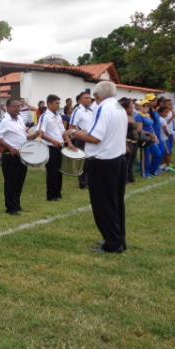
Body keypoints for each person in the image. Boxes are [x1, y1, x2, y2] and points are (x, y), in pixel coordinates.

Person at [64, 81, 127, 254]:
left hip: (103, 161)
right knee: (115, 203)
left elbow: (94, 137)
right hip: (118, 159)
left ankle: (112, 244)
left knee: (103, 204)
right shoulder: (119, 107)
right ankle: (119, 239)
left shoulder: (102, 108)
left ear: (98, 96)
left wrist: (73, 133)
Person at [0, 98, 37, 215]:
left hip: (22, 154)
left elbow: (24, 135)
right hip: (10, 155)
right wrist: (10, 147)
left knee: (20, 181)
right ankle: (10, 208)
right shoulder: (4, 121)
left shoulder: (20, 119)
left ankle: (17, 204)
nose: (18, 108)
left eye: (19, 106)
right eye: (16, 106)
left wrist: (34, 135)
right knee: (11, 182)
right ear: (8, 107)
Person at [37, 94, 73, 201]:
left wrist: (69, 142)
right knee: (52, 172)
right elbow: (41, 133)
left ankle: (58, 193)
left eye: (59, 103)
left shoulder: (58, 115)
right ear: (49, 104)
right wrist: (54, 141)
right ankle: (51, 195)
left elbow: (63, 132)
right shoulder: (45, 116)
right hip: (50, 147)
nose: (58, 105)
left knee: (59, 171)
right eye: (56, 103)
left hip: (60, 147)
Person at [69, 91, 94, 188]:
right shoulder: (77, 110)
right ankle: (83, 183)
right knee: (83, 161)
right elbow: (72, 126)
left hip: (90, 138)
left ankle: (89, 180)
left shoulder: (91, 110)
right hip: (82, 139)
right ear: (80, 100)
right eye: (86, 98)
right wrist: (81, 133)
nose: (89, 99)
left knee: (90, 160)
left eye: (89, 98)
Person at [119, 98, 140, 183]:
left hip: (134, 142)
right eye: (130, 108)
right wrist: (125, 144)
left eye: (133, 107)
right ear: (125, 108)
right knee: (126, 162)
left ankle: (131, 178)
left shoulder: (132, 116)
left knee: (131, 162)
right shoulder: (121, 117)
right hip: (127, 142)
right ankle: (124, 179)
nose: (132, 109)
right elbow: (121, 132)